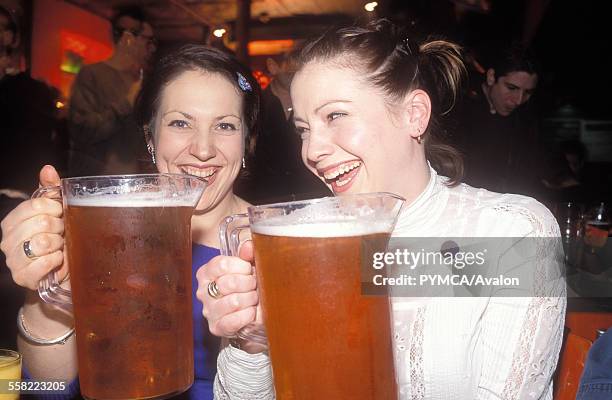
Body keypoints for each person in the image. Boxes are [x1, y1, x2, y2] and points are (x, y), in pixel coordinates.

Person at [197, 19, 566, 399]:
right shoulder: (303, 241)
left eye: (334, 116)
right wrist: (253, 341)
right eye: (304, 129)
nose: (311, 150)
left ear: (414, 114)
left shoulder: (510, 234)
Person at [0, 43, 261, 400]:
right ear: (150, 138)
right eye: (180, 122)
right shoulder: (107, 235)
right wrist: (44, 289)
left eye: (226, 126)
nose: (203, 149)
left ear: (247, 143)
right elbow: (48, 389)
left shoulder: (277, 242)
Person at [67, 7, 156, 177]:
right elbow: (81, 131)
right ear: (128, 39)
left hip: (134, 186)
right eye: (148, 40)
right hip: (96, 187)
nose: (151, 48)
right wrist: (126, 103)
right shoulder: (92, 75)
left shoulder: (143, 81)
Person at [454, 42, 542, 195]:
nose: (518, 100)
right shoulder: (457, 109)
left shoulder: (525, 121)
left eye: (528, 92)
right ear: (491, 77)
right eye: (512, 88)